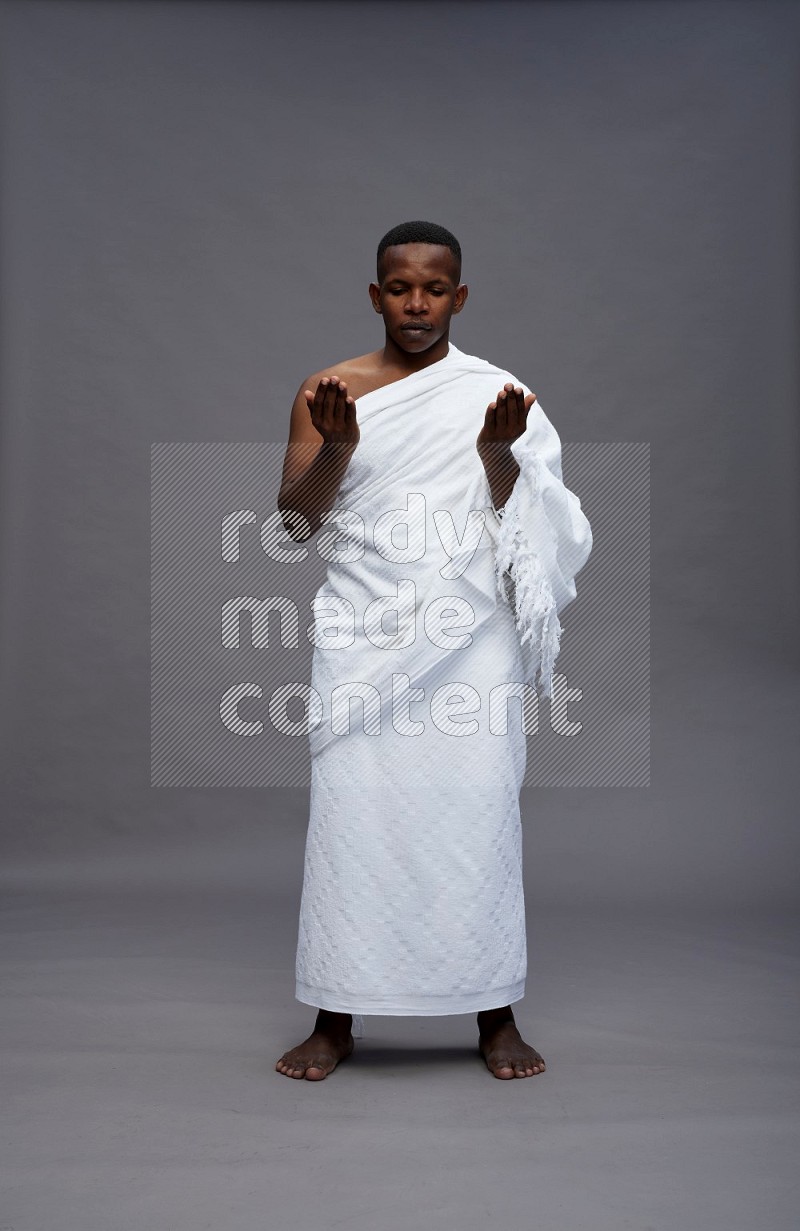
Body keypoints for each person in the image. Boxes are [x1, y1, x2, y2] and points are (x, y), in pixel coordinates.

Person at [274, 221, 592, 1080]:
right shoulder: (326, 392)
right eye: (400, 286)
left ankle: (494, 1013)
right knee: (354, 822)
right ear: (376, 294)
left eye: (435, 286)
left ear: (460, 295)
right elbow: (297, 524)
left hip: (469, 641)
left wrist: (497, 455)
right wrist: (338, 448)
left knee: (474, 816)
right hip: (362, 635)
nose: (418, 302)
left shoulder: (501, 395)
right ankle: (334, 1015)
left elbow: (529, 529)